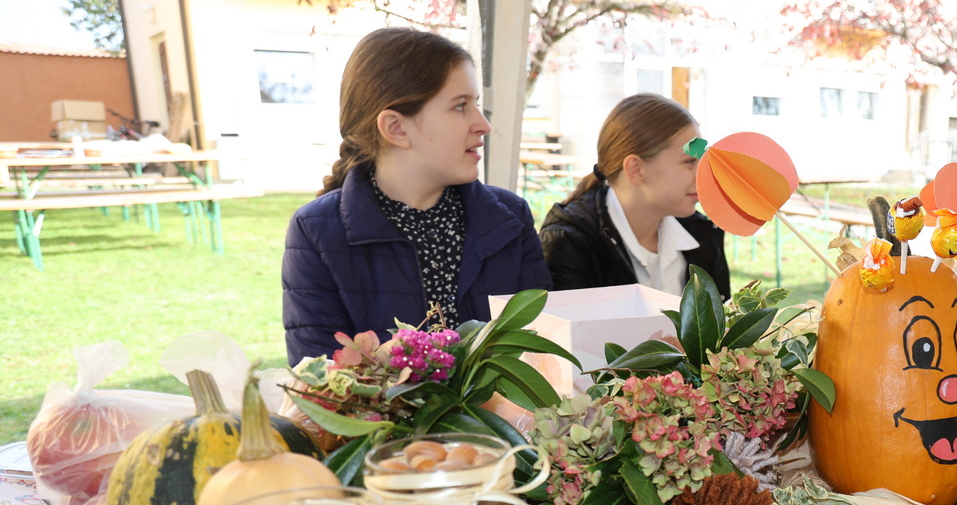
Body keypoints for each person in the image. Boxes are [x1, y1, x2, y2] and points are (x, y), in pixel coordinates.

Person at [282, 28, 551, 365]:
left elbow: (544, 353)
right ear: (396, 128)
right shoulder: (317, 232)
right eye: (460, 106)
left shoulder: (509, 218)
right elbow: (321, 379)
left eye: (476, 105)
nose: (483, 124)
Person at [539, 94, 731, 297]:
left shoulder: (701, 234)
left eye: (702, 161)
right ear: (636, 169)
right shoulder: (571, 244)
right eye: (689, 162)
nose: (703, 175)